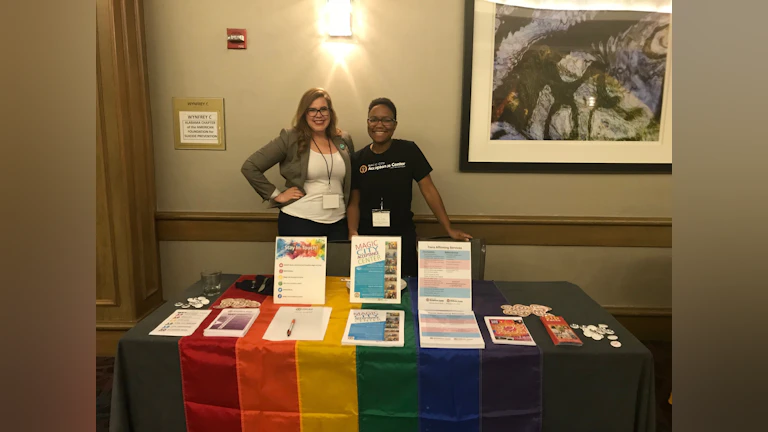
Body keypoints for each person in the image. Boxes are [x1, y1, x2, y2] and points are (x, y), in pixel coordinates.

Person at [347, 97, 471, 276]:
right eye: (373, 119)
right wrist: (353, 232)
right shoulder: (358, 159)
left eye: (386, 119)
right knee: (372, 293)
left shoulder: (408, 150)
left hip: (401, 236)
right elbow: (354, 202)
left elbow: (428, 190)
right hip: (369, 241)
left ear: (395, 124)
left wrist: (448, 228)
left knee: (406, 292)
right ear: (368, 122)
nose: (379, 124)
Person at [241, 88, 354, 241]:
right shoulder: (290, 138)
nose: (318, 115)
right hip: (300, 222)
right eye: (312, 110)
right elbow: (250, 166)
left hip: (338, 223)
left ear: (330, 112)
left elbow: (352, 181)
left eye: (323, 109)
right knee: (301, 266)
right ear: (304, 113)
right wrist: (276, 195)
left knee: (337, 266)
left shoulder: (343, 139)